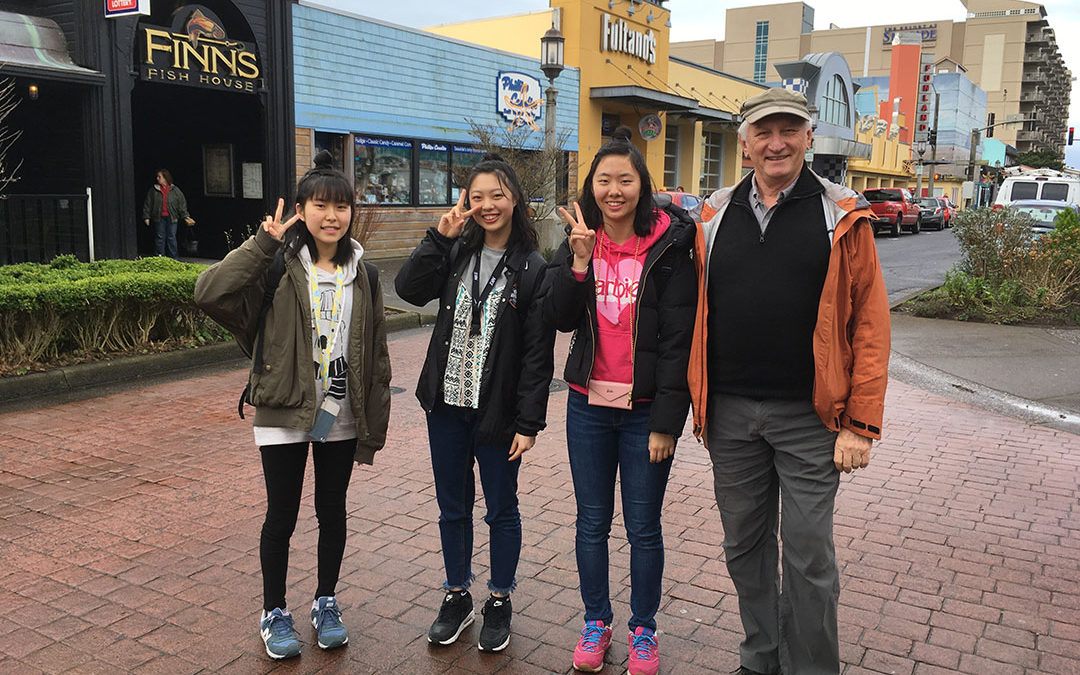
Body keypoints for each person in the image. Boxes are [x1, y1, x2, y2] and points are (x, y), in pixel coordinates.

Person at [689, 88, 890, 675]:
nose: (775, 142)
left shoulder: (841, 214)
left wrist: (860, 423)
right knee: (744, 551)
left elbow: (870, 325)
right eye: (763, 131)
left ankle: (812, 668)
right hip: (729, 415)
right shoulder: (713, 214)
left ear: (808, 136)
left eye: (789, 130)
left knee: (807, 557)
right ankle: (760, 659)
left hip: (811, 418)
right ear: (745, 144)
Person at [194, 150, 391, 660]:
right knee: (281, 514)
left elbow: (376, 355)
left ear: (351, 212)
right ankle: (273, 611)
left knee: (333, 511)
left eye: (341, 206)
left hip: (340, 412)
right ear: (301, 209)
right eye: (320, 205)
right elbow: (208, 292)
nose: (332, 216)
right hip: (284, 407)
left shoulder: (364, 274)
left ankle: (326, 602)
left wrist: (374, 421)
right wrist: (262, 243)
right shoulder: (278, 266)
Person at [545, 126, 696, 675]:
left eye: (624, 180)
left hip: (644, 414)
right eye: (604, 180)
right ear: (592, 186)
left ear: (642, 184)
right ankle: (595, 621)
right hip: (586, 406)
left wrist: (666, 424)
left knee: (643, 526)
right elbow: (560, 319)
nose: (614, 190)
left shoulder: (671, 247)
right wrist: (579, 263)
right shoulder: (578, 239)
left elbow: (680, 340)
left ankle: (643, 630)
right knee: (590, 522)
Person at [395, 154, 554, 653]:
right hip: (446, 404)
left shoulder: (533, 267)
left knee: (501, 509)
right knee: (452, 506)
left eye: (497, 195)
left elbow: (536, 355)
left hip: (498, 414)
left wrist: (528, 421)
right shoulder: (456, 251)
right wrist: (438, 237)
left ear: (515, 202)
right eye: (477, 196)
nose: (487, 205)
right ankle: (457, 593)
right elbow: (407, 289)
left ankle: (499, 598)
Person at [142, 169, 193, 258]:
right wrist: (146, 216)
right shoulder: (154, 190)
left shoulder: (175, 190)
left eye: (160, 177)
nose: (157, 178)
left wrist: (185, 216)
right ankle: (159, 256)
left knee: (171, 237)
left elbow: (181, 203)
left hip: (172, 217)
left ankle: (173, 257)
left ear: (165, 178)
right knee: (160, 237)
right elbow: (148, 203)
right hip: (159, 217)